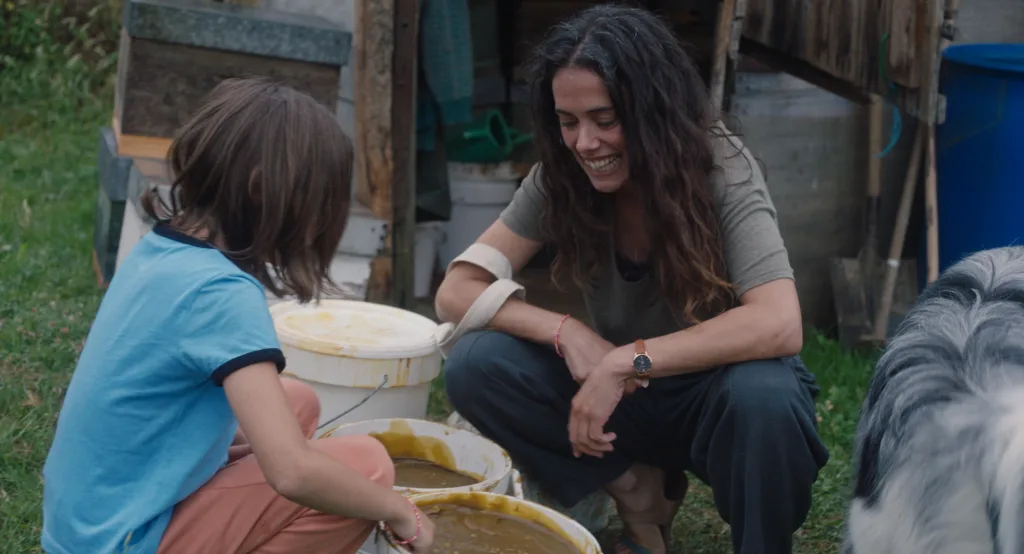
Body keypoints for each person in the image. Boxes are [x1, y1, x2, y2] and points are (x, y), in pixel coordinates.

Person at [435, 6, 829, 554]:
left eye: (605, 119)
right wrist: (565, 331)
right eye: (568, 122)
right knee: (476, 362)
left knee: (766, 395)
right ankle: (639, 493)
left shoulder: (721, 165)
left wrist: (627, 361)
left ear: (653, 110)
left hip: (718, 401)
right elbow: (456, 291)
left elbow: (779, 323)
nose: (585, 143)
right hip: (627, 404)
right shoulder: (562, 176)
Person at [41, 78, 434, 554]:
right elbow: (291, 473)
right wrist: (401, 511)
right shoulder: (223, 294)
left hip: (84, 519)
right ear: (265, 192)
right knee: (366, 465)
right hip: (121, 539)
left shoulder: (162, 247)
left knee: (298, 402)